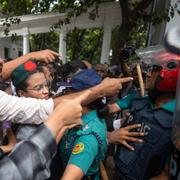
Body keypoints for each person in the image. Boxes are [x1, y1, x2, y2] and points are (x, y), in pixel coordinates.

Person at [0, 90, 90, 180]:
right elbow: (36, 159)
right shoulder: (25, 131)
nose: (45, 91)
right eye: (37, 88)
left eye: (45, 85)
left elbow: (6, 121)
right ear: (22, 94)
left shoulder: (49, 109)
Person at [114, 52, 177, 179]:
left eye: (153, 69)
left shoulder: (177, 120)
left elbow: (166, 175)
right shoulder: (139, 99)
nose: (147, 74)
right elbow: (109, 112)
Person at [59, 69, 108, 180]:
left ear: (82, 96)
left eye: (69, 91)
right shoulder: (83, 118)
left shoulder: (87, 138)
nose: (65, 95)